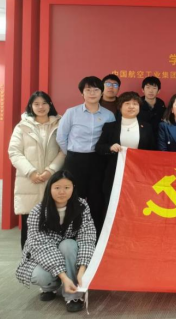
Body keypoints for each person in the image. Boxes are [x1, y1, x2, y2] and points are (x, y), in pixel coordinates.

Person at [16, 170, 97, 313]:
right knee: (40, 276)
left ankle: (74, 295)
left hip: (69, 252)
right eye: (57, 187)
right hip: (43, 255)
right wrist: (64, 277)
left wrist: (82, 270)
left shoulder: (81, 206)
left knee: (69, 244)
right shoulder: (38, 212)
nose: (62, 192)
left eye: (67, 187)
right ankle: (51, 286)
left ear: (73, 188)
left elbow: (87, 237)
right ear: (50, 188)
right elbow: (42, 248)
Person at [56, 76, 115, 237]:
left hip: (98, 161)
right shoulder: (71, 113)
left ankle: (95, 236)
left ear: (101, 92)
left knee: (97, 200)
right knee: (75, 198)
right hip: (75, 161)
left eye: (96, 89)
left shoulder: (109, 115)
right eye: (88, 90)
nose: (92, 93)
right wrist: (72, 154)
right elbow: (61, 137)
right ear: (82, 93)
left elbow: (110, 139)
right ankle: (73, 235)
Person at [8, 91, 65, 249]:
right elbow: (14, 152)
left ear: (50, 105)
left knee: (54, 225)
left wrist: (50, 171)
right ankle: (28, 259)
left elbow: (64, 151)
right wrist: (31, 172)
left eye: (44, 103)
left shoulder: (60, 124)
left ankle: (51, 259)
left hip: (52, 180)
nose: (41, 107)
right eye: (36, 104)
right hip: (29, 181)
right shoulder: (22, 126)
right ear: (31, 106)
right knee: (29, 226)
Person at [96, 92, 156, 206]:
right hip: (115, 174)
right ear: (120, 107)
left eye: (135, 104)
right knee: (114, 204)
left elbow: (152, 151)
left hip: (139, 174)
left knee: (137, 203)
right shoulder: (110, 127)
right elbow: (99, 147)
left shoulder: (147, 127)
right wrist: (110, 147)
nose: (131, 106)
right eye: (127, 103)